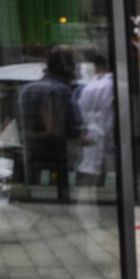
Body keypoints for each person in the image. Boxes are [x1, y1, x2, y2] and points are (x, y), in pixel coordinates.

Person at [19, 45, 85, 202]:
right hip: (58, 160)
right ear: (66, 67)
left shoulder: (26, 91)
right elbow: (71, 130)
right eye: (75, 66)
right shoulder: (61, 91)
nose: (76, 72)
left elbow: (21, 128)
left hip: (32, 159)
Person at [75, 52, 115, 186]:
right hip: (112, 147)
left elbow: (80, 117)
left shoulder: (88, 88)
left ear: (96, 67)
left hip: (92, 148)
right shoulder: (118, 86)